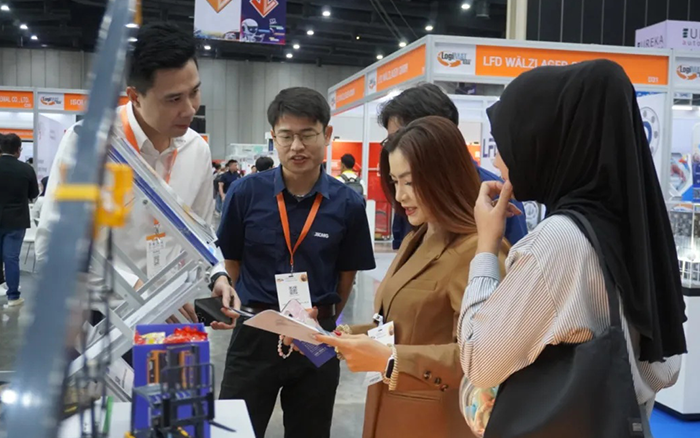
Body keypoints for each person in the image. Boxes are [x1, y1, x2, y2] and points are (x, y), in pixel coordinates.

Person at [458, 60, 686, 429]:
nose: (498, 159)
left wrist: (486, 246)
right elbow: (664, 369)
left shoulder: (558, 242)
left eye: (507, 143)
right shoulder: (638, 228)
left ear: (548, 142)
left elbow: (478, 360)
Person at [304, 116, 511, 438]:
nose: (399, 196)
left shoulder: (480, 252)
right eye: (395, 182)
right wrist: (332, 336)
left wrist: (393, 358)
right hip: (389, 409)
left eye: (410, 182)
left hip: (437, 421)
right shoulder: (418, 238)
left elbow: (483, 357)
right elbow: (397, 326)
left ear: (445, 177)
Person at [37, 22, 234, 323]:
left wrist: (217, 274)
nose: (190, 109)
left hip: (173, 317)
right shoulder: (91, 146)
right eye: (174, 99)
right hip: (103, 322)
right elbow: (55, 248)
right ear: (135, 96)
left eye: (194, 92)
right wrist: (140, 292)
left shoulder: (196, 150)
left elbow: (202, 235)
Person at [214, 87, 376, 438]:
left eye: (307, 135)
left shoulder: (348, 204)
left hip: (316, 333)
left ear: (327, 134)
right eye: (286, 136)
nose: (297, 146)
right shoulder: (246, 194)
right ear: (274, 137)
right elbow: (232, 261)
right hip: (255, 330)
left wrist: (321, 320)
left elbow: (346, 276)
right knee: (235, 431)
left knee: (310, 430)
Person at [378, 83, 528, 249]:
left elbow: (515, 258)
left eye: (398, 138)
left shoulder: (496, 196)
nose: (400, 196)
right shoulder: (407, 198)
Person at [0, 133, 39, 306]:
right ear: (18, 150)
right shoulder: (26, 169)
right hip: (16, 221)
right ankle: (13, 296)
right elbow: (34, 194)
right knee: (11, 258)